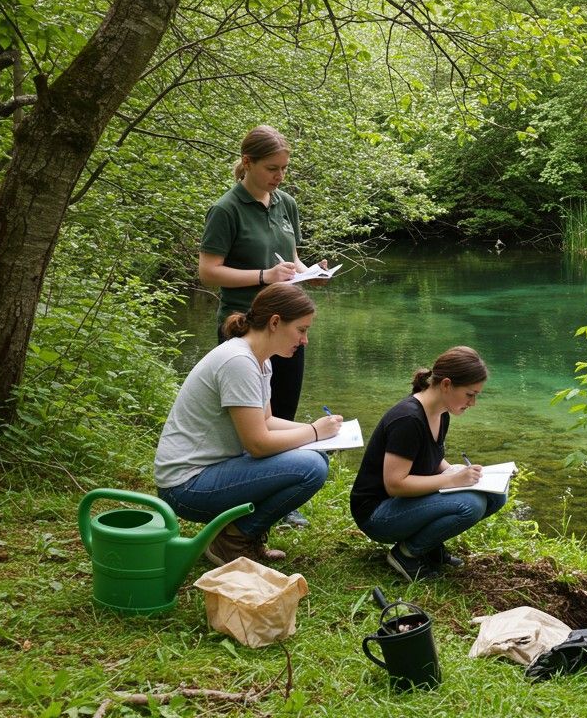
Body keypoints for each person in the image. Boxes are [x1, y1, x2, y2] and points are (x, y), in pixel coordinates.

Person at [154, 284, 343, 566]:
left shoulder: (260, 360)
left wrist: (322, 433)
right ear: (275, 322)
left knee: (313, 457)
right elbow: (257, 445)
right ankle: (232, 541)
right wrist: (314, 432)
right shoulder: (238, 361)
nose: (305, 340)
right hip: (185, 486)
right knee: (311, 467)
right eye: (301, 330)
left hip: (210, 471)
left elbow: (265, 421)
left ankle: (236, 534)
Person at [199, 125, 327, 528]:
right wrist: (263, 276)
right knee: (248, 416)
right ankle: (240, 493)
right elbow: (208, 272)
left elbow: (289, 258)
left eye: (284, 169)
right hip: (244, 325)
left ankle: (279, 495)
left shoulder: (285, 202)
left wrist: (311, 272)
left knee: (282, 407)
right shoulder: (227, 209)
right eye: (272, 168)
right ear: (248, 163)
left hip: (286, 321)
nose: (279, 177)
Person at [350, 346, 507, 581]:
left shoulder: (441, 412)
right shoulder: (408, 419)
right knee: (471, 505)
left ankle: (429, 546)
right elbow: (395, 484)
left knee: (496, 495)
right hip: (378, 513)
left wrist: (458, 471)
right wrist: (451, 480)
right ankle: (406, 554)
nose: (473, 403)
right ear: (446, 384)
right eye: (469, 394)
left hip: (403, 503)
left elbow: (429, 458)